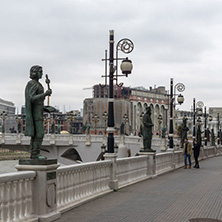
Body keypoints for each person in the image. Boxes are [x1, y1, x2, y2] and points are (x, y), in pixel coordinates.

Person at [25, 65, 52, 159]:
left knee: (37, 134)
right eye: (40, 72)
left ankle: (34, 154)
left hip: (39, 111)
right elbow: (31, 99)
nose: (42, 73)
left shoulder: (39, 85)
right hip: (35, 114)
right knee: (39, 133)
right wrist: (45, 94)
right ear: (35, 73)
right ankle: (35, 154)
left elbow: (38, 102)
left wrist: (46, 108)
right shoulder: (31, 84)